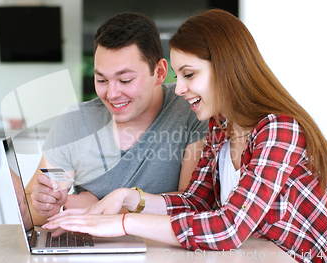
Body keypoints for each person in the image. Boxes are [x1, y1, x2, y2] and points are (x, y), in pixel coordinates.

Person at [42, 9, 327, 263]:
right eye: (178, 75)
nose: (180, 88)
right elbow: (196, 203)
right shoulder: (220, 128)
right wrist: (127, 197)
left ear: (228, 68)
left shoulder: (278, 129)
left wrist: (125, 223)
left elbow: (229, 228)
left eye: (189, 74)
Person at [25, 13, 209, 226]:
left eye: (125, 80)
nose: (112, 94)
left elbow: (192, 204)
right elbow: (31, 211)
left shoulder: (191, 111)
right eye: (101, 79)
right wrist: (47, 206)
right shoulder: (74, 123)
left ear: (159, 72)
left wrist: (97, 209)